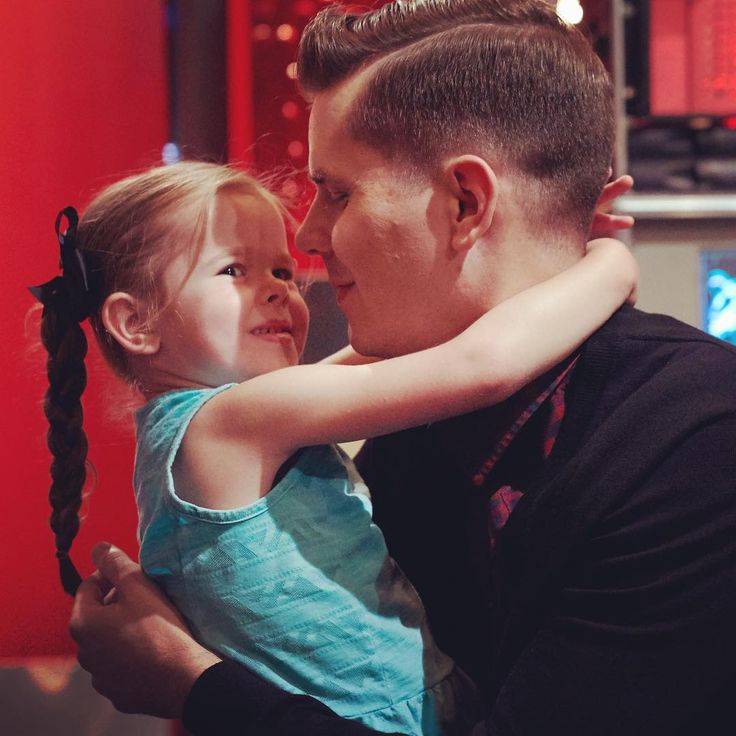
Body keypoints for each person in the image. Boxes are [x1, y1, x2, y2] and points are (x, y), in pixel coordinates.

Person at [69, 1, 736, 734]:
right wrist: (603, 258)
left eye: (337, 192)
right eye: (233, 269)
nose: (309, 238)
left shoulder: (695, 442)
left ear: (466, 203)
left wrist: (193, 685)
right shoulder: (411, 427)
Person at [33, 161, 635, 734]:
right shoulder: (234, 422)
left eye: (281, 272)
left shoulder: (223, 424)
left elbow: (393, 350)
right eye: (234, 271)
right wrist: (609, 262)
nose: (276, 290)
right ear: (135, 323)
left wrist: (542, 242)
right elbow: (481, 367)